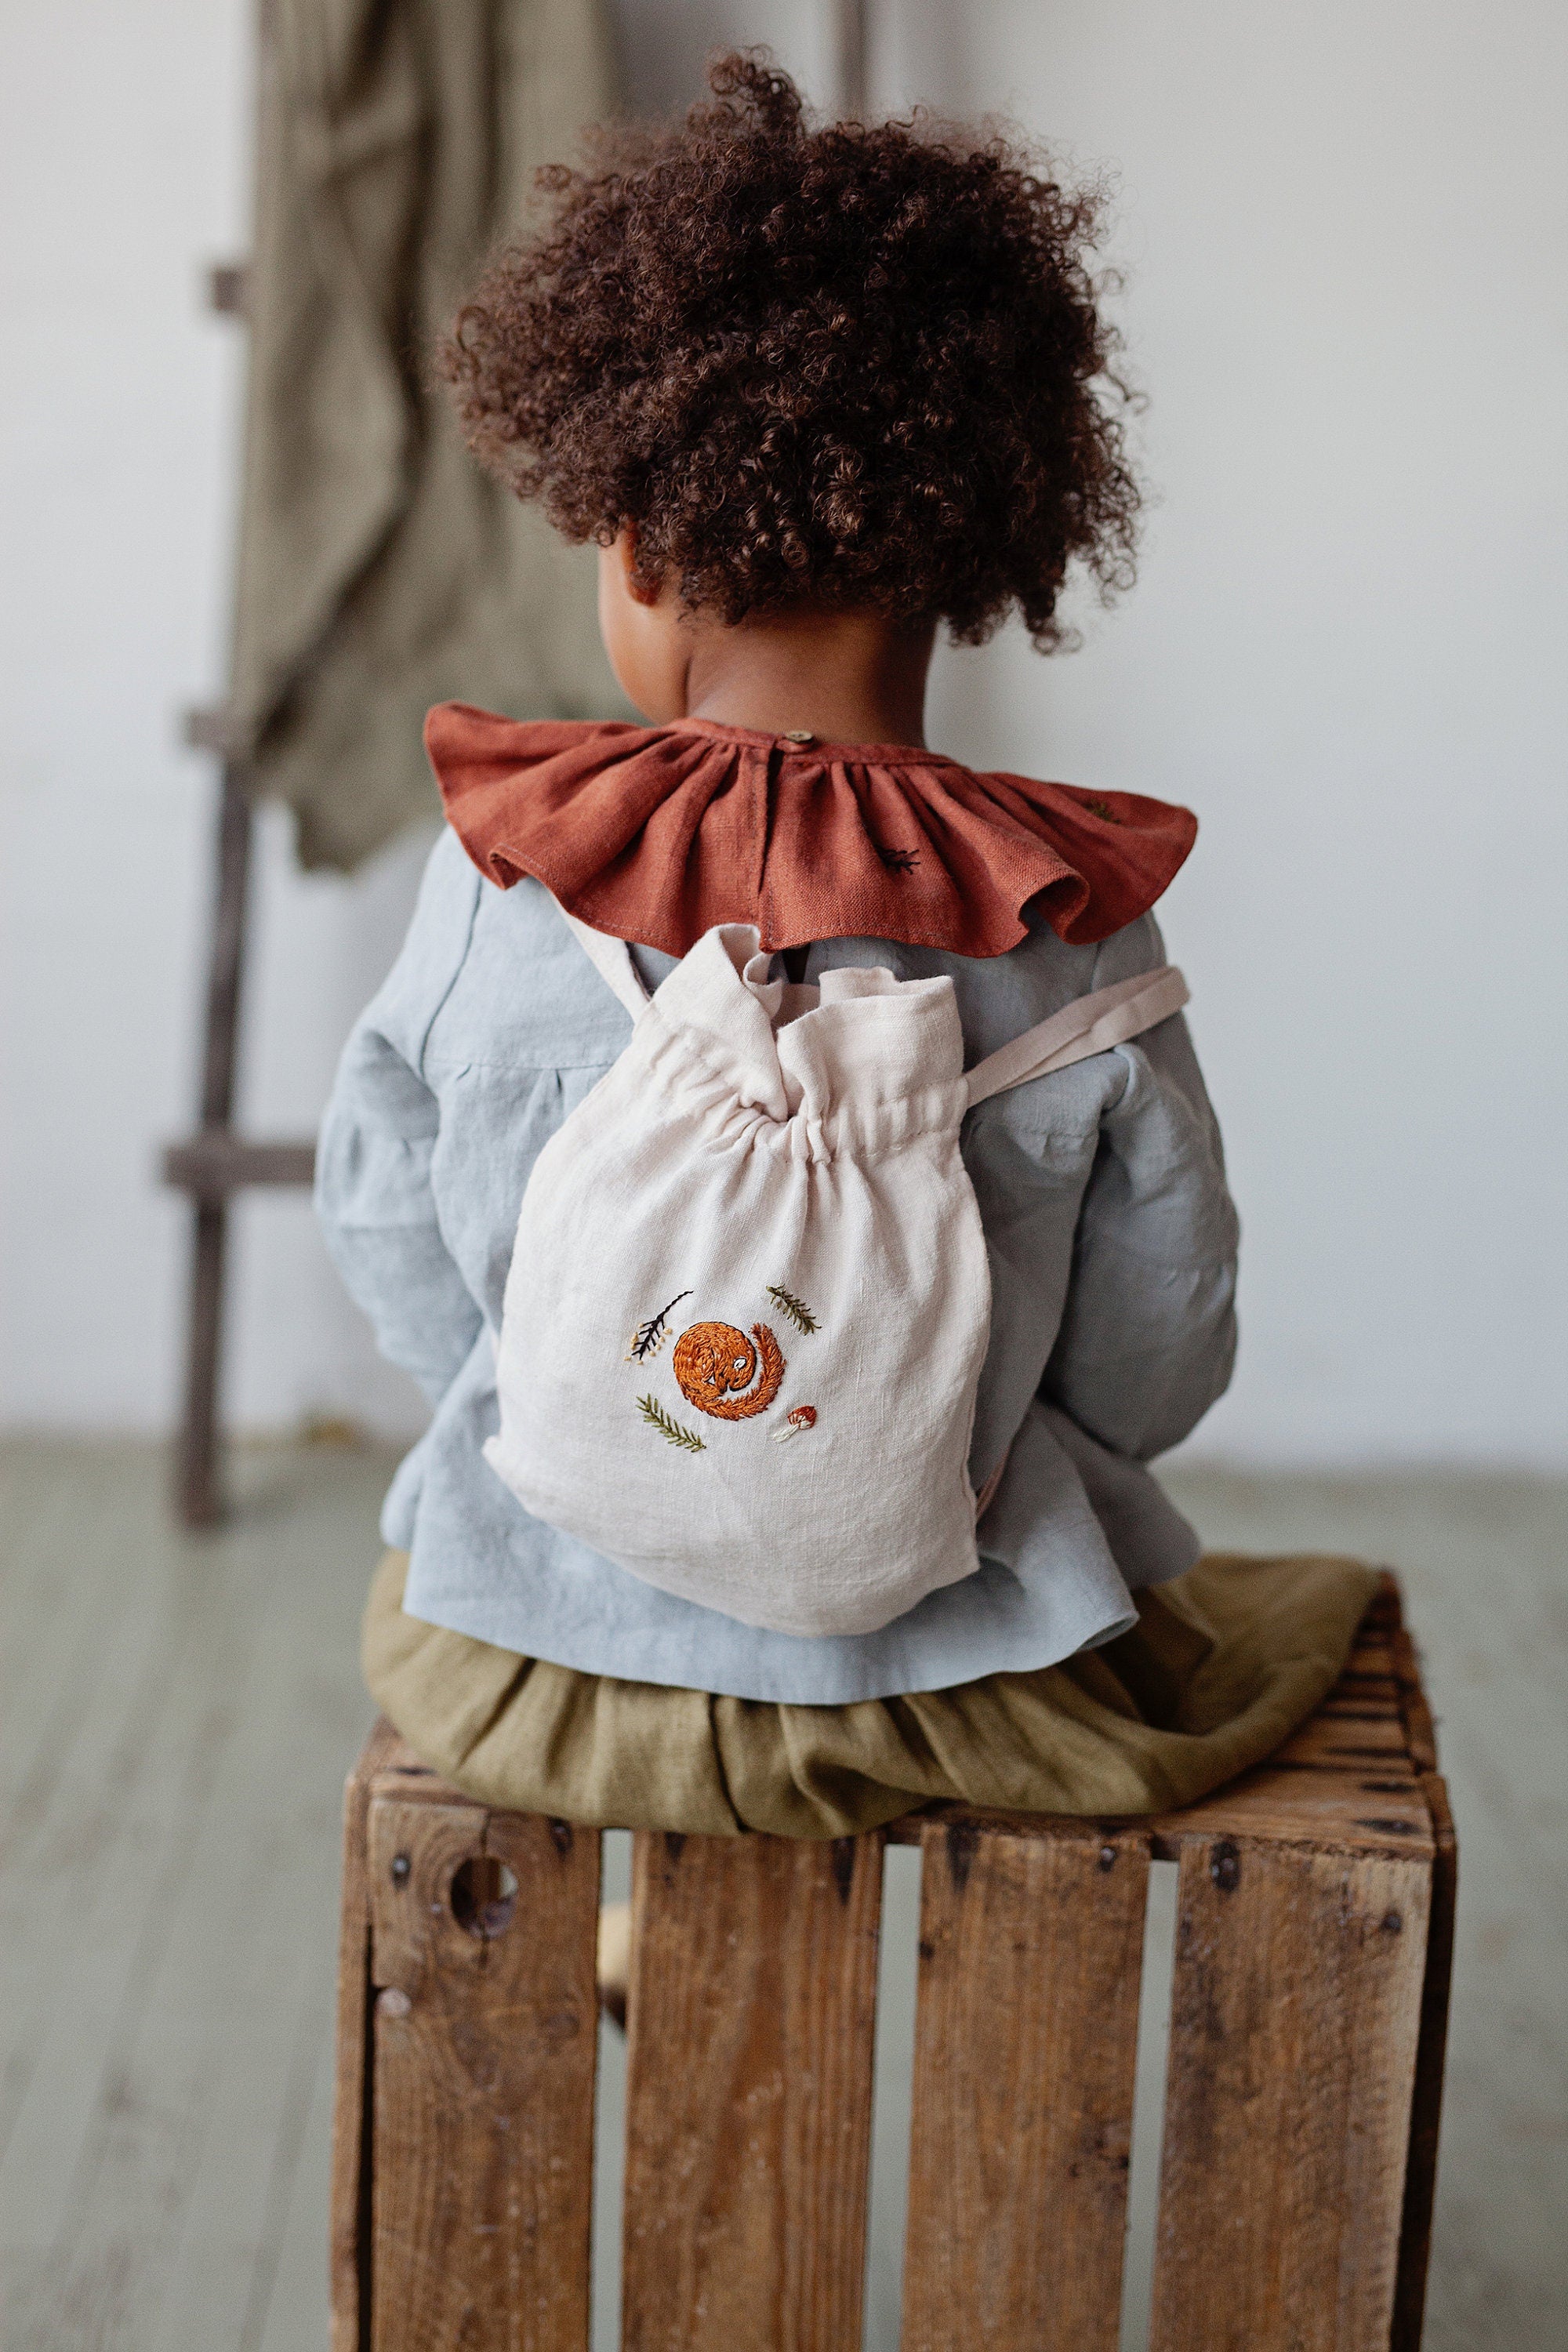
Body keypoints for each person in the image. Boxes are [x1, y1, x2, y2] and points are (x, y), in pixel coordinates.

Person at [317, 53, 1376, 1844]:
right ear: (970, 553)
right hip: (969, 1670)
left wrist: (548, 1409)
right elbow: (1161, 1327)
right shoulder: (1066, 918)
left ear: (633, 547)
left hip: (542, 1651)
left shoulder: (509, 866)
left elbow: (382, 1211)